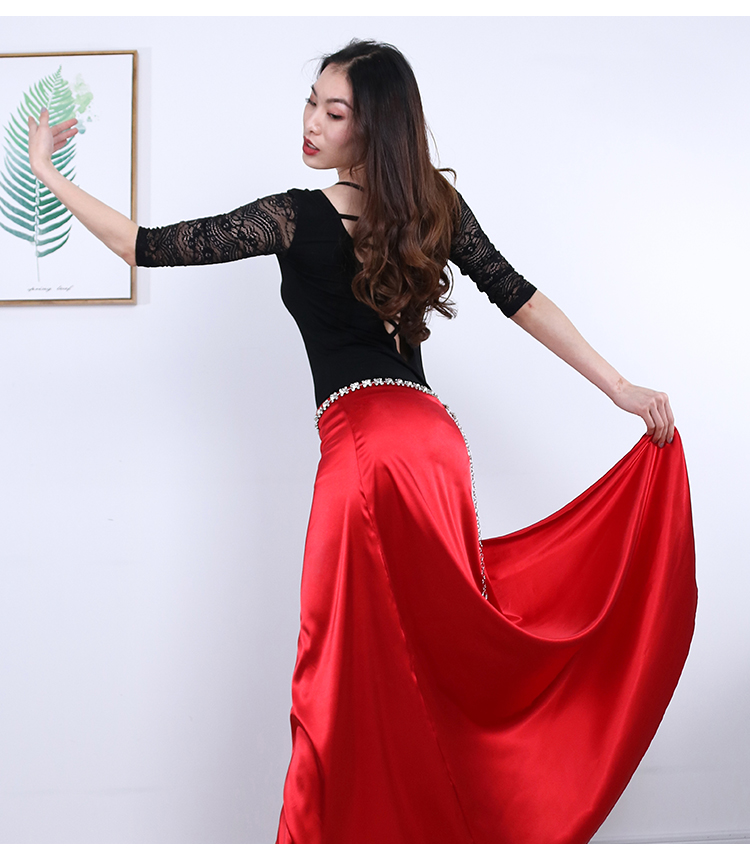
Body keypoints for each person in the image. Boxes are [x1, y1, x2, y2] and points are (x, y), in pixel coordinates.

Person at [28, 39, 696, 845]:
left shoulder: (294, 215)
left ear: (372, 126)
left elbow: (145, 245)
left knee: (339, 668)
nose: (311, 122)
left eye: (334, 111)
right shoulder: (432, 210)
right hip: (438, 448)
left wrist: (46, 171)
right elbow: (519, 296)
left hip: (366, 449)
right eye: (311, 101)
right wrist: (618, 385)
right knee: (435, 660)